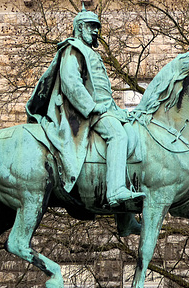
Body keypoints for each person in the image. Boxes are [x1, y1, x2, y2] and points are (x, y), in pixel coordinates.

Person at [27, 7, 145, 207]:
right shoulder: (72, 49)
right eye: (91, 26)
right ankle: (115, 191)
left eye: (97, 27)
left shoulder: (91, 53)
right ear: (79, 27)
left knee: (135, 136)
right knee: (118, 135)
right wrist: (91, 107)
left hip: (105, 109)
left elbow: (101, 89)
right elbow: (71, 83)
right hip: (84, 113)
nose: (95, 31)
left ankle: (125, 219)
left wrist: (117, 111)